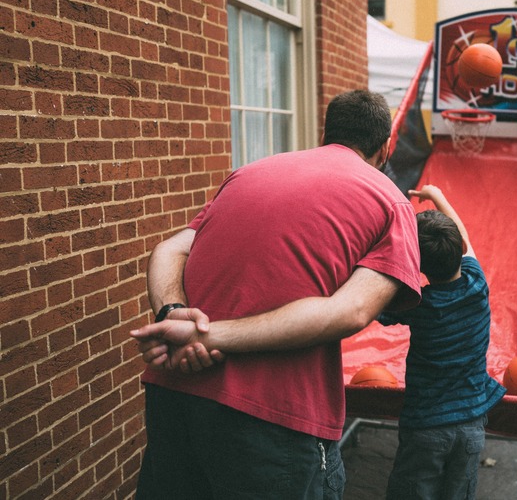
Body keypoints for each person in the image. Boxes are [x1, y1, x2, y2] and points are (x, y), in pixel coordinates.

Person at [130, 90, 423, 500]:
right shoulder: (392, 201)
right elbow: (352, 310)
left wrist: (174, 313)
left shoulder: (248, 172)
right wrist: (208, 337)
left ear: (327, 134)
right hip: (273, 416)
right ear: (385, 147)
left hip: (175, 393)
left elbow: (170, 248)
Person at [377, 185, 506, 500]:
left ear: (417, 265)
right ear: (460, 247)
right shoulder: (478, 282)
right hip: (472, 424)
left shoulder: (416, 303)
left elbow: (374, 307)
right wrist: (438, 197)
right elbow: (465, 238)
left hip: (426, 427)